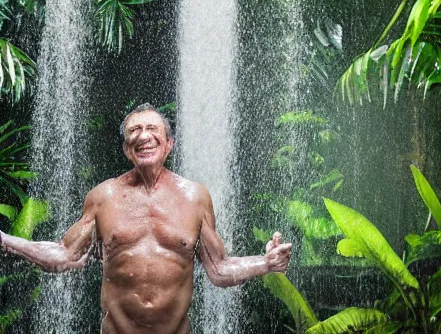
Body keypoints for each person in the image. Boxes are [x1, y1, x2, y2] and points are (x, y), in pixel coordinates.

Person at [0, 103, 292, 334]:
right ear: (128, 149)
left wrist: (265, 264)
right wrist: (5, 240)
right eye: (134, 130)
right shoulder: (103, 197)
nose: (143, 135)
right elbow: (64, 255)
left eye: (152, 128)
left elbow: (219, 270)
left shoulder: (195, 197)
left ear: (168, 144)